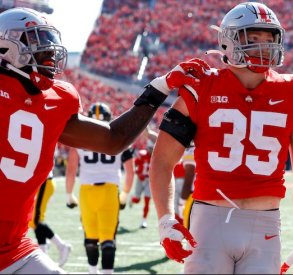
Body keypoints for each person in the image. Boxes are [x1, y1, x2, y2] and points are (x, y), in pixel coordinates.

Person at [0, 7, 205, 274]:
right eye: (38, 43)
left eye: (49, 43)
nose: (50, 53)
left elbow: (112, 140)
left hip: (15, 248)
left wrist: (158, 89)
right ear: (6, 49)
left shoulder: (56, 100)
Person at [150, 2, 293, 274]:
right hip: (209, 223)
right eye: (253, 38)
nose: (264, 46)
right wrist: (165, 219)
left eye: (269, 38)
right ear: (228, 41)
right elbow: (162, 160)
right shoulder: (202, 85)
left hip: (264, 224)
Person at [65, 102, 135, 274]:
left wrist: (68, 194)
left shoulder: (79, 140)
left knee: (90, 239)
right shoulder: (119, 138)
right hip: (110, 190)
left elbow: (71, 170)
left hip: (86, 191)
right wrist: (125, 193)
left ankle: (92, 271)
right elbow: (130, 172)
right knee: (108, 240)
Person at [29, 168, 72, 267]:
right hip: (42, 182)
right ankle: (44, 254)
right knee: (34, 220)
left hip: (44, 181)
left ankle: (62, 246)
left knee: (36, 220)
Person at [131, 147, 153, 229]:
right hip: (140, 180)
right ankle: (132, 199)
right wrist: (138, 173)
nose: (151, 150)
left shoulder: (157, 157)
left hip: (149, 181)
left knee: (147, 201)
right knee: (136, 200)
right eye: (150, 148)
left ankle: (144, 220)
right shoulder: (142, 155)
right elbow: (134, 165)